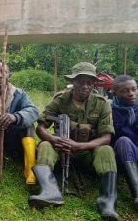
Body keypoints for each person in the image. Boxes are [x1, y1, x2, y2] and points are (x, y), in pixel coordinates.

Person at [29, 62, 119, 220]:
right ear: (73, 82)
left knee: (107, 149)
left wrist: (79, 145)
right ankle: (50, 192)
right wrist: (52, 139)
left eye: (89, 82)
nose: (85, 86)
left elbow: (106, 137)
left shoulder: (102, 104)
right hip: (60, 151)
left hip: (88, 154)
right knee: (44, 145)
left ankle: (107, 202)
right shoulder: (60, 99)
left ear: (93, 84)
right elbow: (41, 127)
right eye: (80, 81)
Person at [111, 75, 137, 210]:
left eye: (134, 89)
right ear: (115, 93)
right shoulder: (109, 110)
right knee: (123, 141)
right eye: (125, 91)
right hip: (119, 155)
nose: (131, 94)